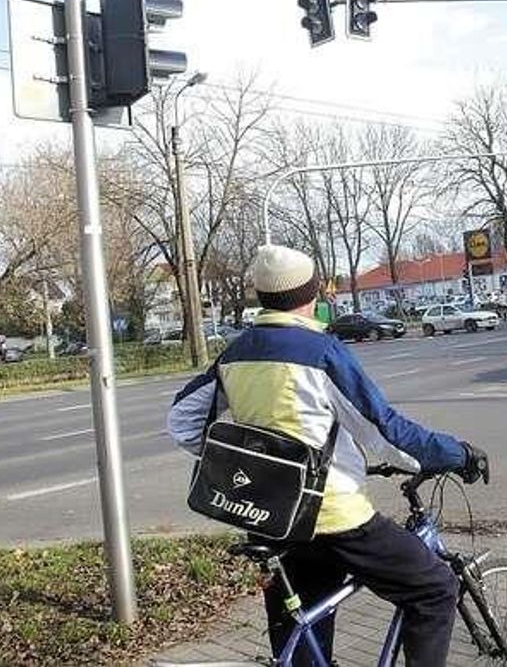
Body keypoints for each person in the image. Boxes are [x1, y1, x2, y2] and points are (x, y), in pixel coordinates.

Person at [168, 244, 488, 667]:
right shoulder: (321, 353)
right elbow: (383, 432)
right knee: (435, 588)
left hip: (269, 519)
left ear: (262, 296)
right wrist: (452, 454)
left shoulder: (236, 353)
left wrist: (246, 461)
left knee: (303, 637)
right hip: (331, 519)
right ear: (313, 293)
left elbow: (182, 421)